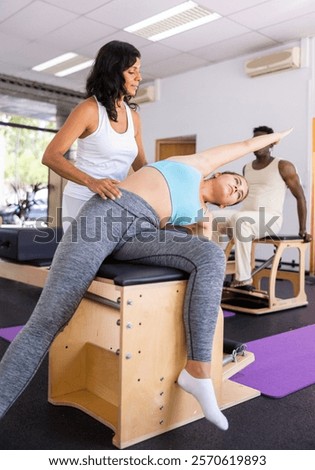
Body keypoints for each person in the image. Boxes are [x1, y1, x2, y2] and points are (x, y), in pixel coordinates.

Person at [0, 129, 292, 433]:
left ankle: (198, 370)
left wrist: (204, 229)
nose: (237, 190)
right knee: (49, 319)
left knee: (211, 255)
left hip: (141, 235)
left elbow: (207, 259)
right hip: (108, 213)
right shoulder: (196, 164)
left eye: (240, 195)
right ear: (217, 173)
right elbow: (246, 145)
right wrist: (276, 137)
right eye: (236, 182)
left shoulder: (200, 213)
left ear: (224, 205)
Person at [42, 40, 147, 231]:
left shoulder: (134, 118)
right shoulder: (88, 110)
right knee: (84, 259)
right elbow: (51, 156)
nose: (139, 77)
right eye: (132, 71)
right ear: (113, 73)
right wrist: (92, 182)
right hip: (82, 198)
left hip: (114, 200)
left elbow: (141, 166)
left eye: (139, 70)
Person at [212, 125, 311, 289]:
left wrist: (303, 229)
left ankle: (243, 279)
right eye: (254, 140)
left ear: (272, 143)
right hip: (245, 218)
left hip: (270, 220)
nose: (257, 144)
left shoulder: (283, 166)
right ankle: (215, 270)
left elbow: (300, 197)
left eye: (262, 141)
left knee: (240, 219)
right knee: (214, 217)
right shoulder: (247, 167)